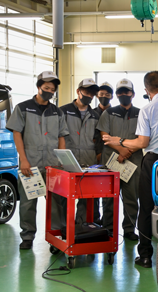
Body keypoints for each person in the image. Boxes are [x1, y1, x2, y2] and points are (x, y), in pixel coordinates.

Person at [103, 71, 158, 268]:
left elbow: (142, 142)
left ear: (146, 90)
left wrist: (119, 140)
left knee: (147, 208)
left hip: (153, 162)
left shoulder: (147, 110)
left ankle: (146, 255)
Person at [6, 71, 69, 250]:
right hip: (30, 164)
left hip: (53, 165)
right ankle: (27, 236)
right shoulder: (23, 108)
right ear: (38, 86)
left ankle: (56, 237)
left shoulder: (57, 112)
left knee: (57, 202)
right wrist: (23, 160)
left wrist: (62, 160)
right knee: (28, 202)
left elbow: (61, 136)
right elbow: (17, 134)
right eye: (46, 87)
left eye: (52, 89)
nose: (49, 91)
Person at [96, 79, 142, 241]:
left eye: (126, 92)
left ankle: (129, 229)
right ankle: (108, 228)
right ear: (116, 95)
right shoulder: (108, 113)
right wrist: (121, 150)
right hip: (112, 161)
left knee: (131, 198)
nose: (123, 95)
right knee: (108, 198)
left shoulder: (140, 113)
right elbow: (104, 135)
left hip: (133, 162)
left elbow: (143, 138)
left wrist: (128, 151)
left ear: (133, 94)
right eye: (120, 92)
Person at [59, 78, 101, 225]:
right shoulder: (63, 111)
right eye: (87, 92)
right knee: (64, 197)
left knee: (86, 196)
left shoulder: (96, 115)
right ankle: (65, 229)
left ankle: (82, 227)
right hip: (67, 160)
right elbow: (57, 136)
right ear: (78, 91)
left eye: (92, 94)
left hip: (88, 161)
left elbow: (98, 140)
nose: (89, 96)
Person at [92, 82, 114, 225]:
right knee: (92, 191)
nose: (104, 96)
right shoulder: (91, 113)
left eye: (107, 94)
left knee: (108, 192)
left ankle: (108, 224)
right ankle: (93, 220)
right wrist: (96, 154)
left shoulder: (115, 113)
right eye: (101, 94)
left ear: (112, 96)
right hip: (92, 157)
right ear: (97, 95)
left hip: (111, 157)